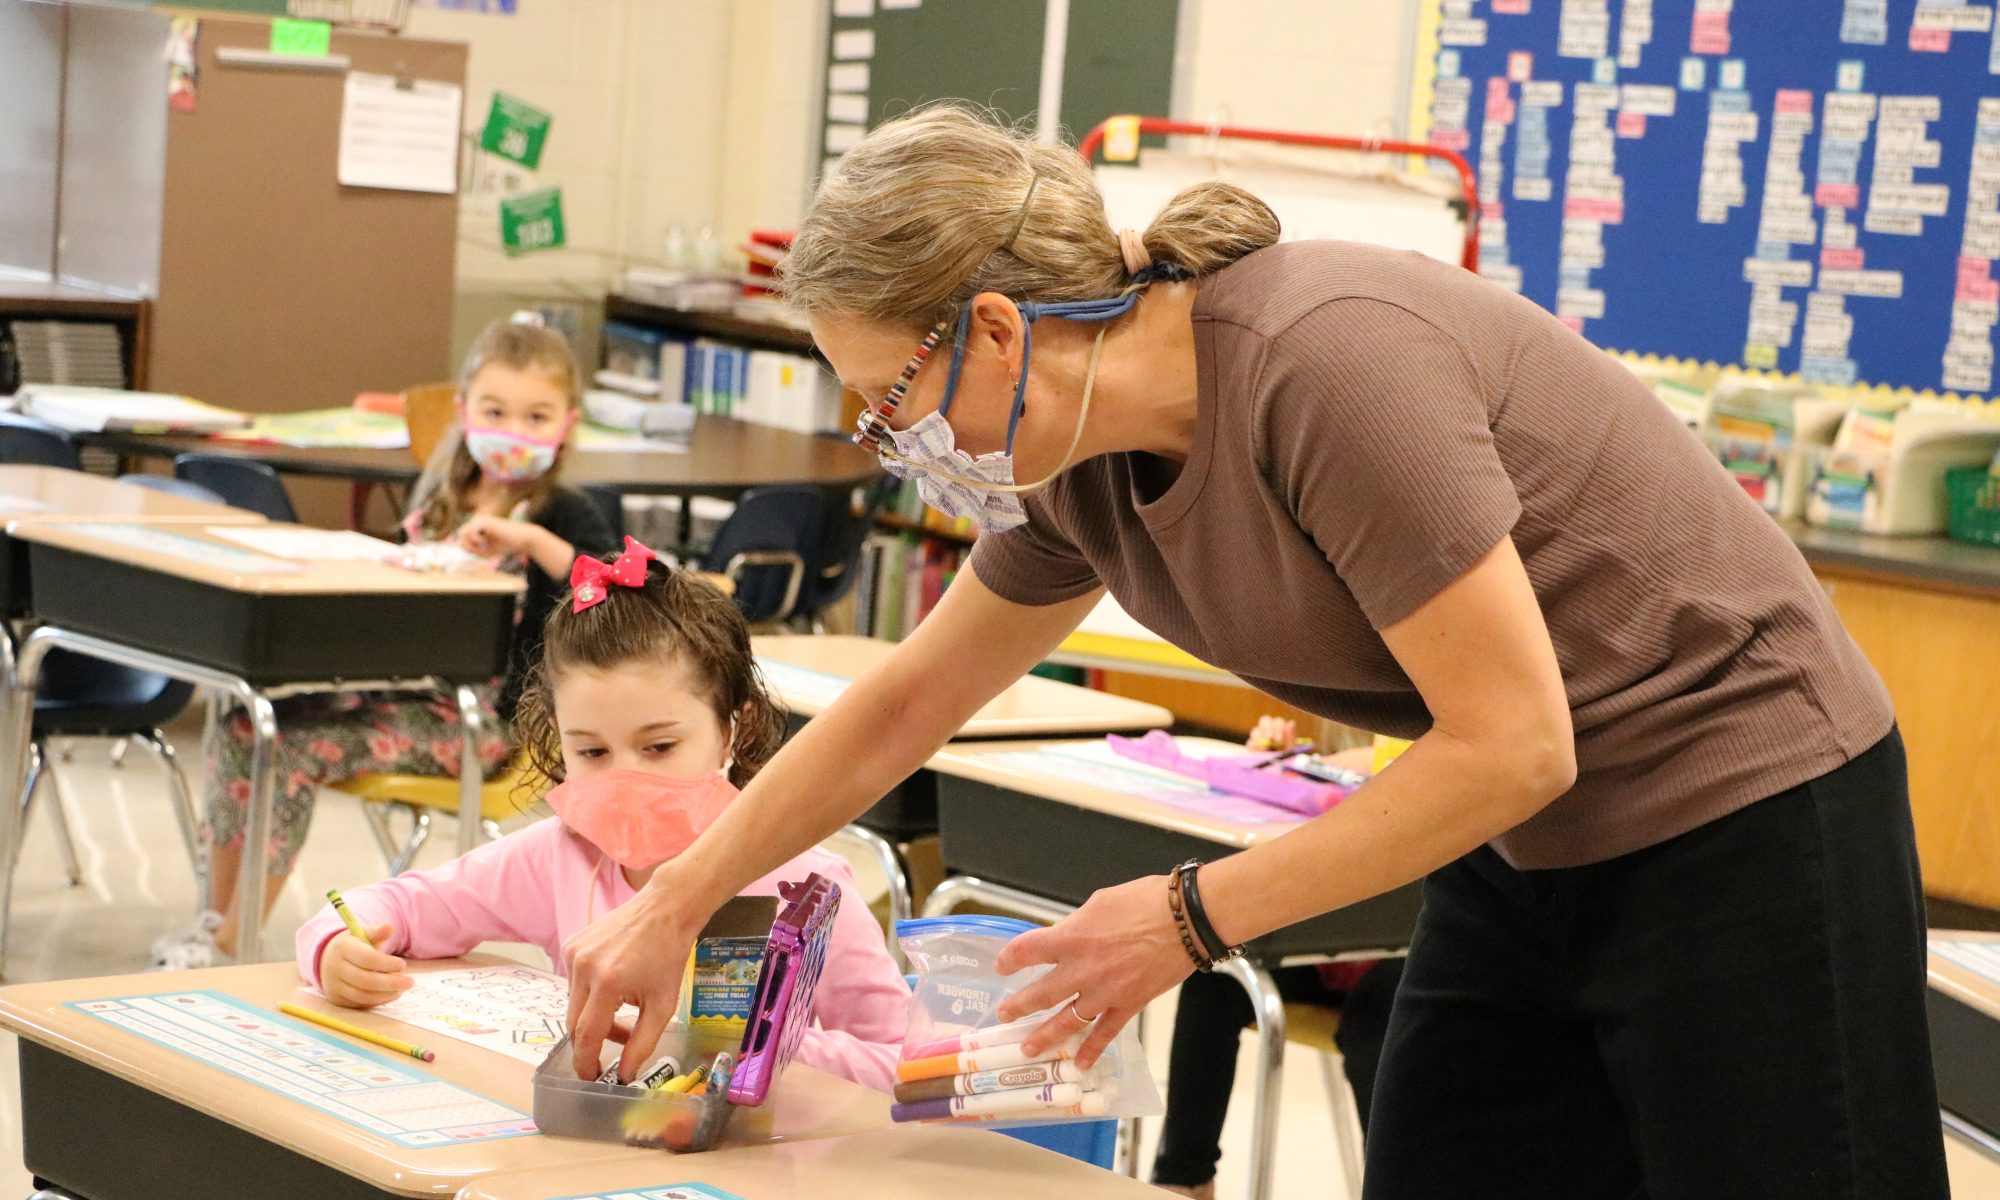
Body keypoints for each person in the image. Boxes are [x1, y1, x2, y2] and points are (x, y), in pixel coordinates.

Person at [559, 106, 1946, 1198]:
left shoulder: (1325, 362)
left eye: (891, 398)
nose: (891, 442)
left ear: (995, 330)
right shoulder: (1078, 465)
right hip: (1529, 838)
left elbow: (1518, 737)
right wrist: (675, 900)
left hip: (1748, 804)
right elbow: (910, 698)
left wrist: (1186, 917)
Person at [296, 544, 909, 1091]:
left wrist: (759, 1050)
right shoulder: (561, 857)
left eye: (659, 747)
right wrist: (335, 950)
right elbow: (395, 908)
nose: (623, 777)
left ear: (733, 729)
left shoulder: (805, 883)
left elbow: (901, 1062)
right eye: (591, 752)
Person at [154, 316, 619, 969]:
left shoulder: (565, 511)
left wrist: (530, 543)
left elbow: (615, 588)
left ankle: (235, 942)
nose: (513, 433)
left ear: (567, 423)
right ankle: (215, 923)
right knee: (240, 728)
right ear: (463, 411)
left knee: (290, 750)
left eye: (535, 417)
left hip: (483, 724)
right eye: (495, 412)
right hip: (397, 693)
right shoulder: (441, 498)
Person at [1153, 722, 1402, 1200]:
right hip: (1325, 936)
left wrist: (1315, 769)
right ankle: (1183, 1179)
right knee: (1217, 977)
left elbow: (1414, 761)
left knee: (1381, 1021)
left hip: (1404, 945)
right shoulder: (1341, 711)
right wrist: (1279, 761)